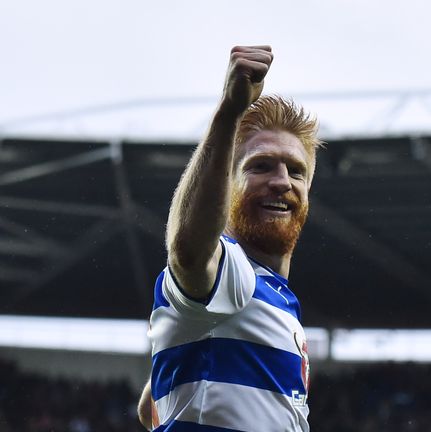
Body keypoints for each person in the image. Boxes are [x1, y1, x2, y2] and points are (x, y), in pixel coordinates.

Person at [137, 45, 322, 431]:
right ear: (228, 185)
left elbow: (148, 407)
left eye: (296, 171)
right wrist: (228, 113)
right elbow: (187, 252)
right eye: (260, 166)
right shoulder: (231, 272)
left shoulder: (277, 300)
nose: (282, 181)